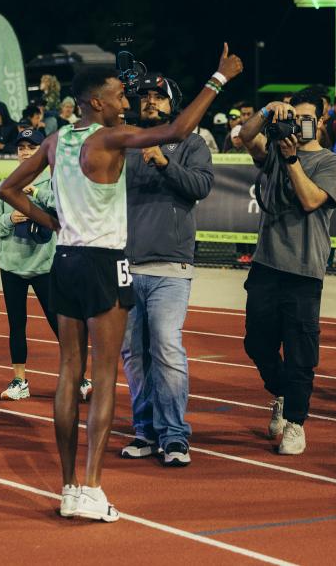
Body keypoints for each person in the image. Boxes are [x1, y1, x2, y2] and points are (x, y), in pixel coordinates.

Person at [0, 44, 243, 521]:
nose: (125, 103)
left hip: (65, 259)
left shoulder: (55, 141)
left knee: (69, 373)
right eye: (117, 97)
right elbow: (177, 129)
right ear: (96, 103)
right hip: (106, 261)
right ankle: (91, 487)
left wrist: (53, 223)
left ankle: (69, 488)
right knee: (106, 376)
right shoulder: (108, 139)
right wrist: (218, 79)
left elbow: (7, 189)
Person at [237, 92, 336, 456]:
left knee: (301, 351)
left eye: (304, 119)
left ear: (321, 120)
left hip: (304, 269)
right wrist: (267, 111)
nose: (296, 125)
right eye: (292, 117)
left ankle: (296, 422)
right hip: (267, 264)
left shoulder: (331, 162)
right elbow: (244, 136)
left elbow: (311, 200)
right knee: (256, 342)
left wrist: (292, 160)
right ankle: (282, 394)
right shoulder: (272, 150)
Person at [118, 73, 214, 467]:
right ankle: (145, 432)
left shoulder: (191, 142)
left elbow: (202, 186)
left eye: (160, 96)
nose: (151, 102)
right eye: (146, 96)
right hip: (125, 265)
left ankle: (174, 436)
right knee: (133, 355)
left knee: (167, 349)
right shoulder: (125, 141)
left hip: (171, 267)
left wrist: (164, 163)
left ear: (173, 102)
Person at [0, 128, 76, 400]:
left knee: (59, 322)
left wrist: (35, 191)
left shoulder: (53, 182)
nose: (25, 152)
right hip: (11, 265)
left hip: (45, 266)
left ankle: (79, 376)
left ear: (43, 152)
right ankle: (19, 380)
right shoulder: (3, 185)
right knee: (16, 324)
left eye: (31, 147)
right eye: (21, 147)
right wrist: (8, 220)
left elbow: (64, 211)